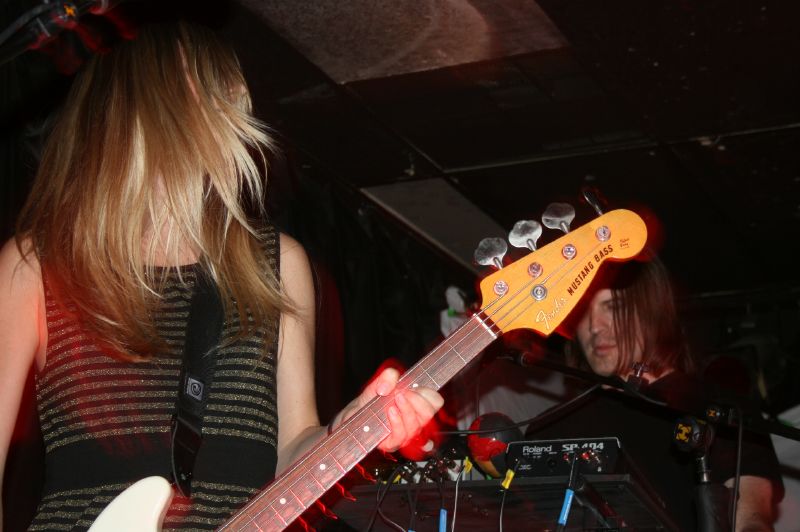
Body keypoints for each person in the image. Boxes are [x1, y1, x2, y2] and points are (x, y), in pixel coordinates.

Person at [0, 19, 442, 531]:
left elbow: (292, 447)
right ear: (147, 99)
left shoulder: (275, 263)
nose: (235, 101)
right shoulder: (36, 264)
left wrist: (348, 432)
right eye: (211, 86)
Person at [526, 255, 783, 531]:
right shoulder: (548, 429)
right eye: (581, 313)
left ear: (652, 311)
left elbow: (751, 520)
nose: (594, 327)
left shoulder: (721, 409)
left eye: (613, 306)